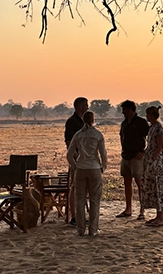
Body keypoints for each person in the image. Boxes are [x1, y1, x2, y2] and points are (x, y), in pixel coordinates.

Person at [66, 111, 107, 236]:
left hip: (81, 169)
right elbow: (103, 154)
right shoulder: (97, 135)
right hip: (94, 168)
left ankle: (81, 228)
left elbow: (69, 154)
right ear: (93, 120)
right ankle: (93, 229)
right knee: (95, 199)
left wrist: (76, 165)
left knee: (80, 199)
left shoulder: (78, 135)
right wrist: (103, 167)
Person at [116, 100, 149, 220]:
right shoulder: (124, 123)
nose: (123, 112)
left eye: (125, 110)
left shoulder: (141, 122)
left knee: (140, 183)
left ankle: (142, 209)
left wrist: (145, 151)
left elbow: (151, 136)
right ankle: (128, 208)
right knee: (127, 183)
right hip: (126, 156)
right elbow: (121, 136)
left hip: (137, 157)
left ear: (131, 109)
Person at [140, 105, 163, 227]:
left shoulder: (159, 128)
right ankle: (157, 216)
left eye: (148, 115)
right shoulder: (152, 127)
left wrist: (153, 160)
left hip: (157, 161)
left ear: (152, 115)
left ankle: (161, 218)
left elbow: (160, 147)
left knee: (160, 187)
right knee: (153, 187)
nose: (146, 117)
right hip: (151, 160)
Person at [64, 97, 88, 226]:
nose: (87, 107)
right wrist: (77, 158)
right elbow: (69, 143)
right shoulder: (72, 122)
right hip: (77, 160)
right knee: (74, 187)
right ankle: (74, 216)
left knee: (83, 188)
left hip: (86, 160)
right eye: (86, 105)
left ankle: (81, 215)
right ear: (80, 107)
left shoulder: (84, 122)